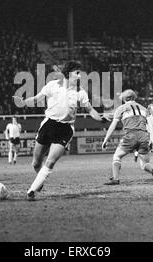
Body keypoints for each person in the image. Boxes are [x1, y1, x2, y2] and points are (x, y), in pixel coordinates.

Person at [13, 61, 107, 201]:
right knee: (36, 163)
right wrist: (23, 102)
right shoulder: (52, 85)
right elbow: (36, 99)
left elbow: (90, 109)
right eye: (77, 72)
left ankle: (31, 191)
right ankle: (39, 180)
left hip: (65, 128)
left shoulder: (80, 92)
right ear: (68, 73)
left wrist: (100, 119)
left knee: (50, 161)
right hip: (48, 125)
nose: (80, 75)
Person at [102, 90, 153, 185]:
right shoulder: (144, 109)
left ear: (123, 98)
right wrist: (151, 140)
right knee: (144, 164)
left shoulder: (121, 108)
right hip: (144, 136)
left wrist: (105, 140)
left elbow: (112, 126)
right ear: (134, 98)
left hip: (130, 135)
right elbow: (151, 126)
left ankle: (115, 179)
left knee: (117, 156)